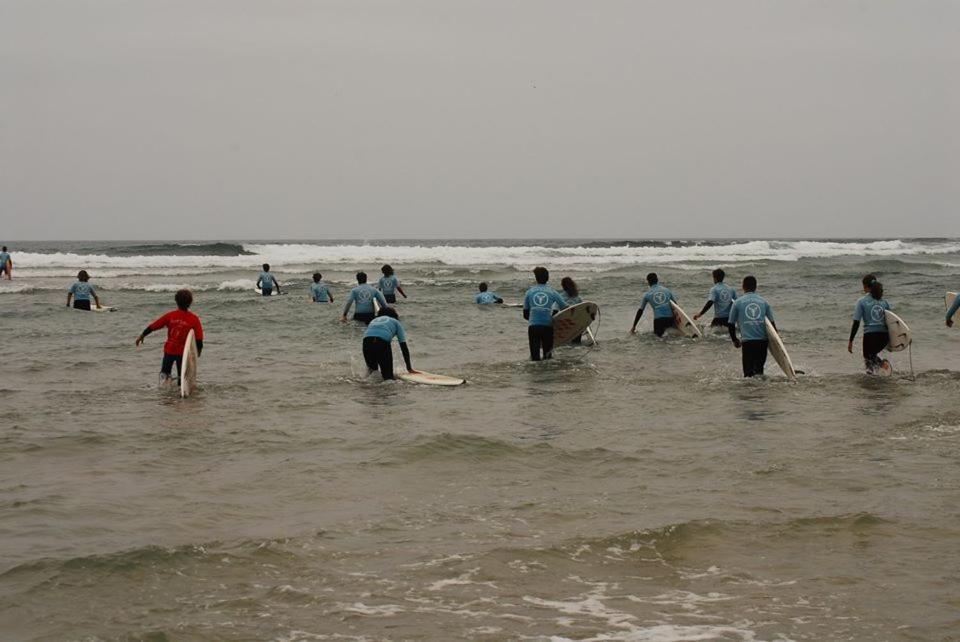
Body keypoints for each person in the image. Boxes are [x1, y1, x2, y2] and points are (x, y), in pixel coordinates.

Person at [135, 289, 204, 385]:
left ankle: (165, 394)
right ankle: (180, 393)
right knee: (182, 378)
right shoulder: (194, 319)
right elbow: (199, 340)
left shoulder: (171, 315)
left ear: (176, 301)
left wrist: (142, 335)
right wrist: (197, 355)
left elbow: (154, 326)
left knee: (165, 374)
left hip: (169, 351)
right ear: (190, 302)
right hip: (183, 353)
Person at [727, 275, 776, 377]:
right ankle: (760, 391)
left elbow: (730, 323)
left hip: (748, 342)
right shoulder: (764, 302)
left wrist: (734, 340)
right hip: (763, 342)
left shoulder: (737, 303)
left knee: (748, 374)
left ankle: (750, 392)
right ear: (755, 287)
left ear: (743, 286)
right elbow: (771, 324)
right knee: (759, 371)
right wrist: (776, 341)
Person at [523, 266, 567, 361]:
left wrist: (535, 319)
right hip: (547, 326)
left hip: (533, 327)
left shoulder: (529, 292)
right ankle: (548, 375)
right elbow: (565, 307)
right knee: (548, 357)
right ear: (547, 278)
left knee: (534, 359)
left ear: (536, 278)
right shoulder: (552, 292)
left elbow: (525, 315)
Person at [848, 279, 891, 372]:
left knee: (868, 358)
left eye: (863, 286)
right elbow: (892, 322)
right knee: (871, 357)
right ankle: (876, 378)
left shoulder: (862, 301)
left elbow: (856, 322)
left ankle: (883, 365)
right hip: (884, 337)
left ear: (867, 287)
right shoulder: (885, 302)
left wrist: (851, 340)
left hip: (870, 336)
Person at [362, 307, 415, 380]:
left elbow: (370, 334)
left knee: (372, 373)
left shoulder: (374, 320)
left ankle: (367, 389)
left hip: (366, 343)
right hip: (382, 343)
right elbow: (403, 346)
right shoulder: (396, 322)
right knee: (388, 378)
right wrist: (409, 368)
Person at [630, 273, 677, 337]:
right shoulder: (667, 290)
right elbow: (675, 306)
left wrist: (634, 326)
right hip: (670, 319)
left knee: (658, 340)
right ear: (657, 280)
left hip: (658, 321)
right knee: (672, 337)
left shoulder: (647, 295)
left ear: (648, 282)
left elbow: (640, 311)